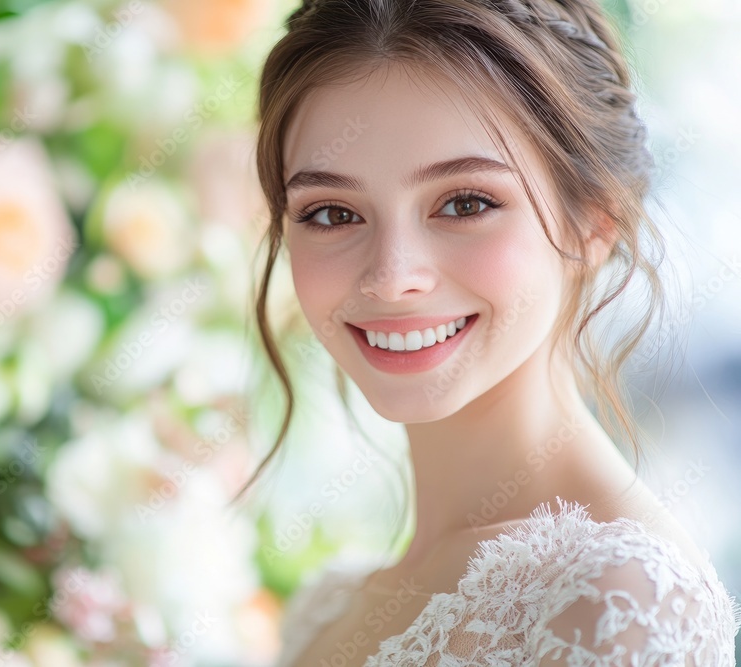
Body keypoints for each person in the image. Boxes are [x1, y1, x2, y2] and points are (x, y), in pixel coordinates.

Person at [239, 0, 741, 664]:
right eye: (332, 212)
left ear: (593, 223)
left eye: (465, 203)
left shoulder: (618, 598)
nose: (391, 278)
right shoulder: (327, 606)